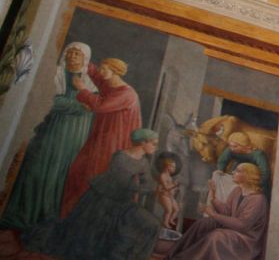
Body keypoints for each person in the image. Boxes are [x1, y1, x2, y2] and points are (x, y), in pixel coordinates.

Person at [0, 43, 96, 230]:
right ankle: (23, 215)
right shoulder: (56, 73)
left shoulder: (90, 81)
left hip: (75, 134)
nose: (72, 56)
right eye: (70, 52)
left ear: (85, 58)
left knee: (61, 173)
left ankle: (46, 219)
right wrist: (77, 106)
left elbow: (94, 105)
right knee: (37, 168)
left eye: (77, 54)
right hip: (50, 128)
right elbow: (50, 100)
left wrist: (81, 104)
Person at [25, 128, 161, 259]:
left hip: (121, 200)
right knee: (89, 234)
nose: (156, 147)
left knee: (146, 223)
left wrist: (157, 187)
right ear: (143, 142)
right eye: (154, 143)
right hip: (102, 197)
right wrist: (142, 188)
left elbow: (147, 182)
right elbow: (120, 181)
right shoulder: (120, 156)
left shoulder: (144, 162)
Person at [61, 57, 142, 216]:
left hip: (113, 142)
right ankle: (71, 214)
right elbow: (97, 76)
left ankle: (85, 217)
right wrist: (84, 62)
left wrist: (82, 89)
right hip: (103, 135)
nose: (101, 71)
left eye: (105, 69)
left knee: (94, 174)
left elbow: (101, 105)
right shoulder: (111, 85)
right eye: (101, 68)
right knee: (79, 171)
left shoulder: (127, 94)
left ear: (115, 72)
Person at [167, 162, 268, 260]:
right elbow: (227, 212)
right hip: (233, 229)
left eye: (238, 171)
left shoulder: (258, 200)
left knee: (216, 236)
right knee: (203, 223)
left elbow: (242, 225)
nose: (233, 172)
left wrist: (213, 214)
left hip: (245, 240)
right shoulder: (237, 191)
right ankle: (174, 255)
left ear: (248, 176)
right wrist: (213, 196)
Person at [215, 132, 272, 197]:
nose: (232, 149)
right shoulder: (231, 150)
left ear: (244, 145)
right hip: (239, 173)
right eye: (230, 146)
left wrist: (256, 185)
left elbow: (265, 172)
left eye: (235, 146)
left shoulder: (257, 154)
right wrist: (220, 169)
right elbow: (222, 160)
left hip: (253, 178)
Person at [156, 154, 181, 229]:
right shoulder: (162, 175)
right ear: (167, 166)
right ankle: (165, 222)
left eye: (174, 167)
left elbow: (170, 187)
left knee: (176, 209)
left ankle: (171, 219)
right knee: (169, 210)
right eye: (173, 167)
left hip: (170, 195)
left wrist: (175, 188)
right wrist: (174, 185)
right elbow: (166, 187)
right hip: (164, 195)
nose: (174, 169)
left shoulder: (169, 176)